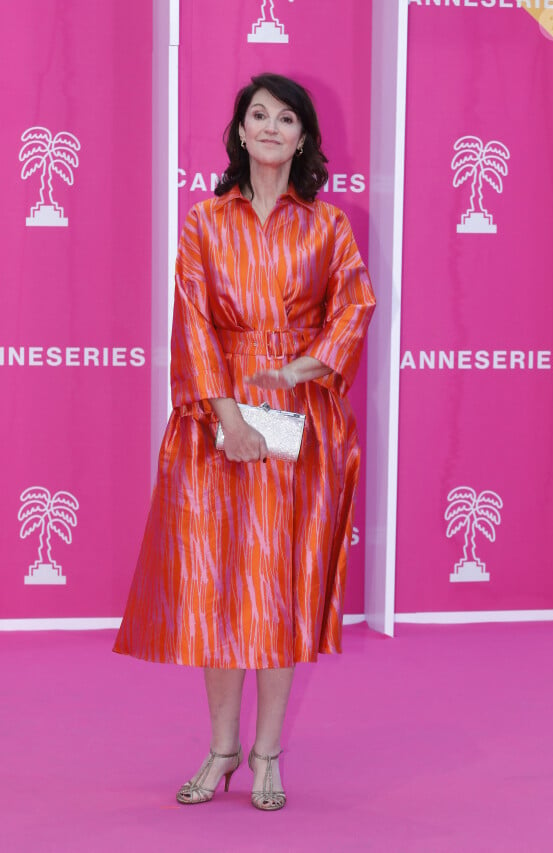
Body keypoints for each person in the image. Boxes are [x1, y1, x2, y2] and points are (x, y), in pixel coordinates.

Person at [113, 72, 375, 811]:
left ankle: (266, 754)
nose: (268, 127)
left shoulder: (328, 226)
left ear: (303, 138)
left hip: (297, 424)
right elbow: (191, 319)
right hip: (214, 425)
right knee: (215, 588)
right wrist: (229, 418)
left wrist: (298, 366)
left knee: (279, 588)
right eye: (256, 115)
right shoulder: (204, 220)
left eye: (284, 118)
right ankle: (221, 746)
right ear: (238, 131)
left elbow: (355, 305)